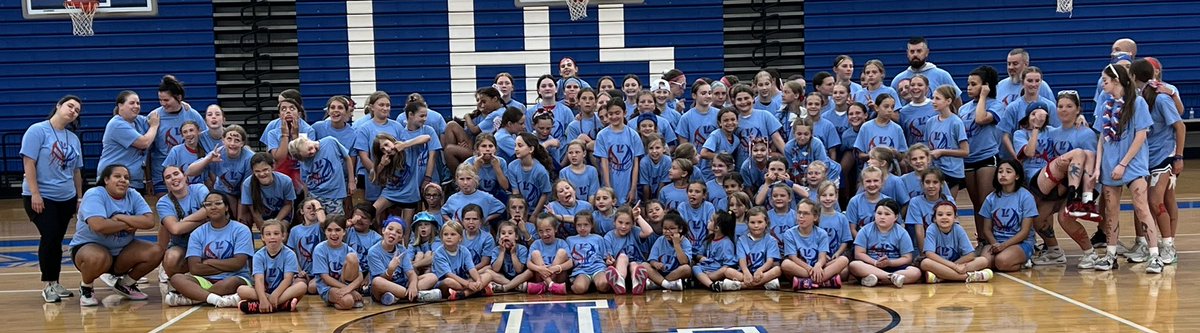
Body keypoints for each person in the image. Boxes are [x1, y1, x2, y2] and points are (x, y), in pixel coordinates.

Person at [1093, 64, 1163, 273]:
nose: (1102, 83)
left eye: (1105, 79)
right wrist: (1097, 167)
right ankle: (1110, 255)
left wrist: (1123, 163)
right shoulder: (1104, 103)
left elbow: (1141, 135)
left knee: (1142, 207)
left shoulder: (1137, 103)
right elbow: (1101, 139)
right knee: (1111, 211)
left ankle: (1154, 256)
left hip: (1133, 164)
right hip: (1109, 165)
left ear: (1116, 80)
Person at [22, 95, 84, 303]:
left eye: (77, 110)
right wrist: (35, 193)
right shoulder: (37, 130)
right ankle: (48, 284)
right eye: (70, 106)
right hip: (42, 196)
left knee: (57, 240)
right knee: (48, 238)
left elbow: (76, 171)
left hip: (66, 197)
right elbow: (29, 163)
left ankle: (56, 282)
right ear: (58, 106)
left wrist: (79, 197)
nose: (73, 111)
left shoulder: (73, 138)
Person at [70, 165, 160, 306]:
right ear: (106, 179)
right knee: (97, 257)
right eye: (117, 176)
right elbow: (99, 225)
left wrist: (119, 218)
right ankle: (86, 287)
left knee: (156, 251)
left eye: (126, 178)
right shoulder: (95, 194)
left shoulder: (133, 194)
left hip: (122, 251)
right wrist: (130, 223)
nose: (123, 180)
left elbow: (149, 221)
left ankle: (125, 284)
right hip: (89, 248)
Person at [1130, 59, 1184, 266]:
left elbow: (1180, 126)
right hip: (1144, 157)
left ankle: (1168, 244)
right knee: (1142, 202)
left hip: (1164, 156)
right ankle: (1146, 243)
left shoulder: (1163, 96)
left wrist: (1178, 157)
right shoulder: (1136, 97)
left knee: (1156, 201)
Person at [165, 192, 253, 307]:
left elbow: (238, 264)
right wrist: (226, 266)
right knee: (176, 278)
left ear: (226, 207)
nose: (213, 207)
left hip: (235, 277)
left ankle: (194, 298)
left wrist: (209, 262)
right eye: (208, 204)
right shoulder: (197, 233)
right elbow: (195, 268)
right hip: (205, 280)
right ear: (205, 209)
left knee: (230, 283)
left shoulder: (241, 230)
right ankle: (214, 299)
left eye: (218, 203)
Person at [149, 75, 205, 195]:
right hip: (162, 174)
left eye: (166, 100)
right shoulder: (154, 117)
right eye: (160, 100)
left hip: (190, 175)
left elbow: (206, 141)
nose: (163, 103)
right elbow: (146, 150)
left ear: (178, 97)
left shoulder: (192, 114)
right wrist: (148, 179)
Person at [235, 220, 307, 313]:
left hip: (283, 291)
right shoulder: (258, 255)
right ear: (262, 237)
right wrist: (263, 298)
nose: (272, 237)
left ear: (283, 236)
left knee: (302, 286)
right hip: (264, 291)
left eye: (276, 233)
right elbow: (259, 280)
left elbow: (287, 280)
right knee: (241, 290)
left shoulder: (290, 254)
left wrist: (275, 295)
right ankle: (282, 305)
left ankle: (260, 306)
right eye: (268, 234)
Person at [979, 160, 1038, 272]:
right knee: (984, 263)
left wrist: (1004, 246)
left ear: (1017, 176)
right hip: (997, 242)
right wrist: (995, 244)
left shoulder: (1026, 197)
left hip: (1021, 243)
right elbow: (986, 229)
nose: (1003, 174)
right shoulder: (990, 198)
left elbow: (1025, 232)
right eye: (1000, 171)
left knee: (1002, 262)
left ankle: (1024, 261)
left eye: (1008, 171)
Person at [187, 125, 254, 219]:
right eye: (229, 139)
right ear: (223, 140)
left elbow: (245, 187)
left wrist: (240, 215)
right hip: (223, 191)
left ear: (242, 143)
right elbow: (189, 171)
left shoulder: (249, 157)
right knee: (226, 210)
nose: (232, 143)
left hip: (244, 191)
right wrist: (208, 160)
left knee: (243, 219)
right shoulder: (216, 153)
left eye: (237, 140)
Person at [157, 166, 212, 283]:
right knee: (171, 258)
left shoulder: (199, 189)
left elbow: (209, 208)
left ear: (185, 176)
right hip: (182, 245)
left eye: (176, 174)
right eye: (168, 177)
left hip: (207, 241)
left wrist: (185, 220)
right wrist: (202, 220)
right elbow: (175, 229)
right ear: (165, 183)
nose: (173, 178)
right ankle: (176, 281)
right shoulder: (163, 202)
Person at [848, 198, 920, 288]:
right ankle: (890, 278)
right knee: (854, 265)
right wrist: (874, 262)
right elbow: (858, 254)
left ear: (896, 217)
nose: (882, 217)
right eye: (879, 213)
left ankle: (877, 279)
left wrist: (890, 263)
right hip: (871, 266)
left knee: (916, 272)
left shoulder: (902, 233)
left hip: (895, 267)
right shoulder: (865, 230)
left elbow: (907, 258)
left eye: (887, 214)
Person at [98, 91, 158, 193]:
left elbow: (157, 116)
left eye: (138, 103)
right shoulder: (117, 124)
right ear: (120, 105)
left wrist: (181, 105)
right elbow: (144, 143)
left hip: (134, 182)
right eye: (132, 103)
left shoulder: (137, 121)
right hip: (115, 182)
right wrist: (154, 126)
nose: (136, 106)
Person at [368, 217, 439, 305]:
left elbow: (411, 273)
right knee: (377, 281)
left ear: (401, 237)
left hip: (402, 284)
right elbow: (380, 280)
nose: (393, 233)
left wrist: (413, 286)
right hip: (384, 287)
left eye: (398, 232)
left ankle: (397, 297)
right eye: (390, 229)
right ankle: (417, 296)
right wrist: (390, 270)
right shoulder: (373, 252)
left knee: (432, 277)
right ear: (383, 230)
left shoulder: (402, 250)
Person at [921, 201, 994, 283]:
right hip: (940, 264)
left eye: (948, 214)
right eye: (940, 215)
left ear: (955, 218)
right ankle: (969, 277)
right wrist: (954, 266)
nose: (944, 217)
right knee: (925, 263)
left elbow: (970, 254)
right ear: (934, 219)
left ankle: (942, 277)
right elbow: (929, 254)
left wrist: (955, 265)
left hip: (957, 263)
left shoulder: (958, 229)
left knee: (983, 260)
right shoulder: (932, 229)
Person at [782, 200, 848, 290]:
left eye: (806, 213)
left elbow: (822, 257)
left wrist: (818, 265)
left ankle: (806, 282)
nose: (801, 216)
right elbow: (793, 258)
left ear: (815, 217)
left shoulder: (822, 233)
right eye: (799, 213)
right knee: (785, 264)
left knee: (843, 260)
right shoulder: (789, 234)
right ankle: (824, 281)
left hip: (818, 268)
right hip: (802, 269)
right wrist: (810, 269)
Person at [354, 91, 406, 203]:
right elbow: (363, 156)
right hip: (375, 178)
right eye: (381, 105)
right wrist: (376, 171)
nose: (385, 108)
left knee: (394, 208)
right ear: (372, 107)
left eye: (388, 105)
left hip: (395, 177)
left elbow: (403, 150)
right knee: (374, 210)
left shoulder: (397, 126)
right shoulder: (365, 128)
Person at [289, 136, 355, 216]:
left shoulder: (330, 142)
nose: (313, 152)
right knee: (316, 222)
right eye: (309, 155)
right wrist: (306, 200)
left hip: (334, 194)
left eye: (310, 148)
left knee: (336, 221)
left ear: (307, 141)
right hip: (315, 195)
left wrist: (351, 181)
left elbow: (347, 158)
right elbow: (305, 181)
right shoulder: (304, 161)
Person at [595, 99, 645, 205]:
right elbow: (604, 163)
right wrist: (608, 189)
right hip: (611, 186)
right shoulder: (602, 135)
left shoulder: (633, 135)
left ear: (625, 113)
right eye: (610, 114)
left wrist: (633, 189)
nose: (614, 117)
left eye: (617, 113)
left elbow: (636, 164)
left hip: (628, 186)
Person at [312, 215, 364, 309]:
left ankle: (344, 299)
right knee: (348, 302)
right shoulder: (320, 249)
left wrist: (349, 288)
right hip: (328, 288)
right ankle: (334, 301)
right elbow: (325, 278)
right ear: (325, 232)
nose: (333, 233)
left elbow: (360, 276)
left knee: (352, 257)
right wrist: (349, 290)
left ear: (344, 232)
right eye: (329, 230)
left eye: (337, 230)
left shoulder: (350, 250)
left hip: (347, 284)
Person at [603, 206, 655, 295]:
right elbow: (609, 256)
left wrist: (638, 217)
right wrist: (609, 260)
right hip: (619, 266)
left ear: (632, 224)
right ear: (614, 222)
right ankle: (619, 281)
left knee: (634, 264)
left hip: (637, 265)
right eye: (620, 222)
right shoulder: (609, 236)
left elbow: (649, 231)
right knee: (623, 256)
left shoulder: (635, 231)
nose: (623, 226)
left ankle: (637, 283)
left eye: (628, 223)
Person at [240, 153, 296, 230]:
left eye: (265, 170)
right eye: (257, 171)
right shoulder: (247, 184)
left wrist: (276, 222)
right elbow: (254, 211)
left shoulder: (285, 181)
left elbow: (288, 205)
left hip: (281, 214)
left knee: (280, 232)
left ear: (272, 167)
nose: (262, 174)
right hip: (261, 214)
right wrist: (263, 226)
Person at [890, 37, 960, 97]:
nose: (915, 55)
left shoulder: (942, 76)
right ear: (907, 54)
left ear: (927, 52)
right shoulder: (898, 80)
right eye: (912, 51)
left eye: (919, 51)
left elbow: (956, 100)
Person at [733, 207, 783, 290]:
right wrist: (746, 272)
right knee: (727, 271)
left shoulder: (771, 240)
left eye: (760, 222)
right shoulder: (742, 240)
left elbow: (770, 261)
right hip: (745, 273)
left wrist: (760, 270)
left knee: (777, 269)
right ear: (747, 223)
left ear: (766, 222)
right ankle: (763, 285)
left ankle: (741, 285)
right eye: (752, 222)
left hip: (763, 273)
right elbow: (741, 260)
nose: (756, 226)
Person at [641, 213, 692, 291]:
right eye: (665, 228)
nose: (667, 231)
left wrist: (677, 244)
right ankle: (667, 285)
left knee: (687, 268)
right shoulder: (660, 240)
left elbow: (683, 262)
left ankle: (658, 283)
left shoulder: (685, 242)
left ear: (680, 229)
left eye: (672, 228)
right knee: (644, 265)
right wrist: (656, 264)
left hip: (674, 273)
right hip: (659, 273)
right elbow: (652, 259)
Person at [695, 211, 741, 292]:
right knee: (695, 268)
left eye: (711, 220)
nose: (708, 221)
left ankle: (710, 284)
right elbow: (699, 254)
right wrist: (701, 257)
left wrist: (714, 275)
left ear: (717, 228)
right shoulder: (709, 239)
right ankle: (709, 282)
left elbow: (727, 265)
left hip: (718, 269)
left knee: (697, 270)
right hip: (706, 266)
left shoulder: (726, 243)